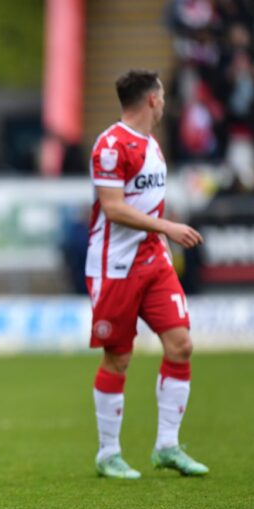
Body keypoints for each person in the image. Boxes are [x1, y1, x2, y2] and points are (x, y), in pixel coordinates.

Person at [87, 70, 208, 479]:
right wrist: (169, 228)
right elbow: (113, 208)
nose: (164, 101)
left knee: (181, 345)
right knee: (118, 358)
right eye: (161, 95)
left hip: (154, 262)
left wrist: (164, 232)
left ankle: (167, 446)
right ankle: (108, 454)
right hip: (115, 266)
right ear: (152, 99)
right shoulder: (110, 145)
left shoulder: (153, 145)